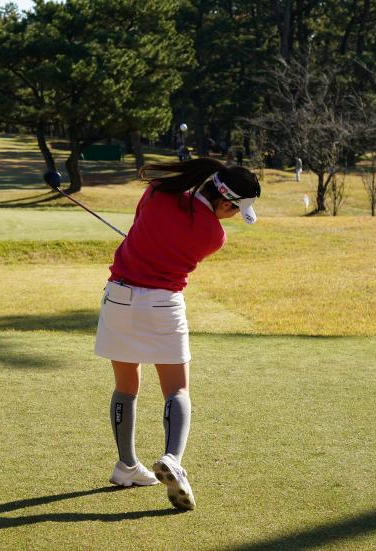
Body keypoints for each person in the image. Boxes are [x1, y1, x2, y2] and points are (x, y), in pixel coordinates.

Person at [94, 157, 260, 511]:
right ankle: (172, 458)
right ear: (226, 204)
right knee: (177, 389)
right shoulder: (214, 236)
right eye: (236, 211)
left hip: (118, 297)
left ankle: (126, 466)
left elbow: (145, 224)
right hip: (161, 304)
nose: (233, 216)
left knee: (125, 386)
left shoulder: (157, 191)